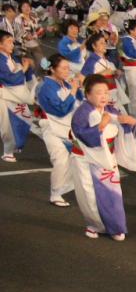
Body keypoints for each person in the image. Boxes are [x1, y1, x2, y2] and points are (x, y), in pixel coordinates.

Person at [69, 74, 136, 241]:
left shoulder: (110, 110)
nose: (104, 96)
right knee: (88, 194)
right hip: (85, 159)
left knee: (113, 192)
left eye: (106, 92)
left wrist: (125, 121)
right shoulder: (82, 112)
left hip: (107, 157)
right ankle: (94, 225)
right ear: (87, 95)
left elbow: (117, 120)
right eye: (99, 92)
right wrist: (102, 125)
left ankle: (116, 226)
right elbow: (84, 135)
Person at [37, 54, 82, 206]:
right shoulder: (46, 87)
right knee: (61, 160)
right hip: (51, 126)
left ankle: (65, 187)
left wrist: (77, 88)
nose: (68, 71)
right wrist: (74, 89)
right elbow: (60, 109)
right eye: (64, 68)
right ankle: (55, 193)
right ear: (52, 69)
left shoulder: (64, 84)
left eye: (68, 68)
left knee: (73, 160)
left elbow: (76, 102)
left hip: (67, 127)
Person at [0, 30, 35, 162]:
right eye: (8, 42)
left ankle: (13, 147)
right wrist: (24, 68)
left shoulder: (13, 58)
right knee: (6, 124)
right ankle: (8, 151)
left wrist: (27, 67)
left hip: (14, 94)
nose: (12, 44)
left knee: (21, 120)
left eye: (12, 42)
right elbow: (9, 78)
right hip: (3, 94)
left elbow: (21, 74)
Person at [81, 33, 129, 114]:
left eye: (105, 42)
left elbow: (110, 75)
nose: (105, 45)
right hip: (102, 97)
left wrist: (115, 73)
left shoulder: (106, 59)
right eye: (101, 43)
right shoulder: (91, 62)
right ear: (94, 46)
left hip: (112, 94)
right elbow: (84, 81)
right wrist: (102, 74)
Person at [14, 0, 45, 67]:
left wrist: (44, 29)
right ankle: (32, 76)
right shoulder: (18, 19)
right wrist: (29, 36)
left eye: (28, 6)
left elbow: (39, 28)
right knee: (30, 65)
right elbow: (20, 33)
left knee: (43, 61)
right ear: (20, 9)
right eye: (24, 6)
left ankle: (49, 72)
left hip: (35, 43)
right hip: (23, 46)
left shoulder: (33, 17)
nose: (26, 8)